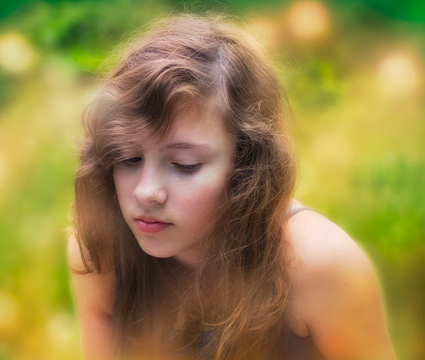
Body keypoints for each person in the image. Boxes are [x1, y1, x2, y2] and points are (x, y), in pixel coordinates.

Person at [68, 14, 396, 360]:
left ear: (245, 163)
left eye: (184, 165)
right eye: (129, 158)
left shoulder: (322, 265)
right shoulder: (100, 246)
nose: (146, 192)